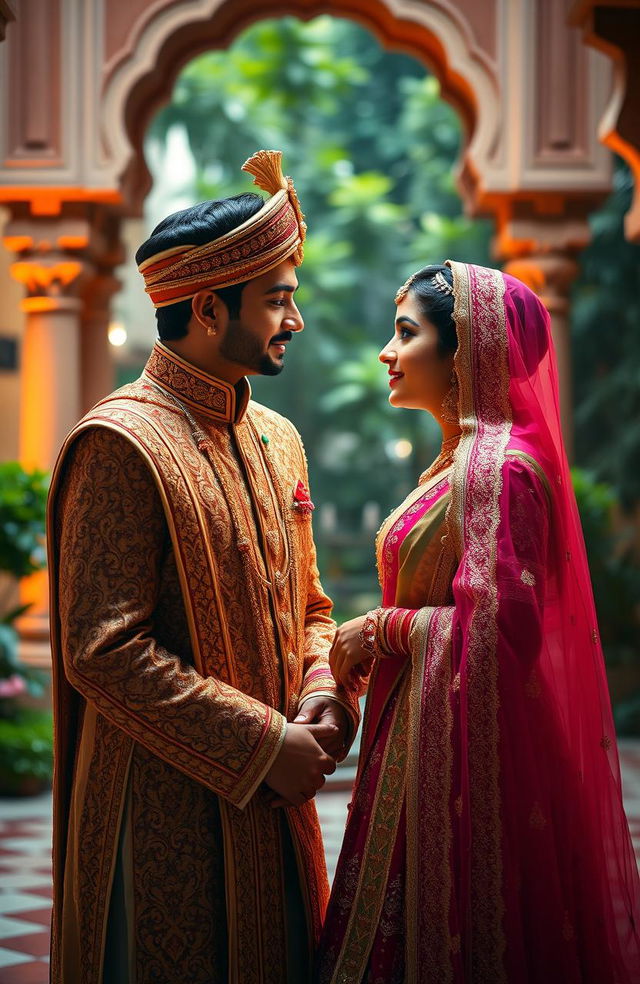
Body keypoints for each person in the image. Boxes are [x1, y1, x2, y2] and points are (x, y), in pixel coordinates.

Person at [47, 150, 359, 984]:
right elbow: (101, 650)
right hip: (163, 813)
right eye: (278, 300)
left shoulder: (278, 437)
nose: (294, 320)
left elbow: (312, 605)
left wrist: (322, 693)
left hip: (277, 808)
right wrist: (264, 745)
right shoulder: (120, 443)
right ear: (210, 309)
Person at [317, 261, 640, 983]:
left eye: (406, 332)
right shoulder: (459, 463)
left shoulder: (502, 470)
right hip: (421, 738)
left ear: (466, 349)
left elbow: (497, 637)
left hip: (465, 761)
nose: (386, 352)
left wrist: (380, 631)